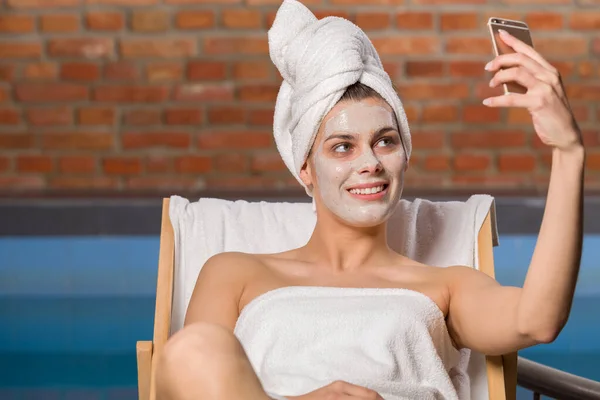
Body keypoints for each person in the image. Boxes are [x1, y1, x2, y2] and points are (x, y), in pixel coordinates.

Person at [155, 2, 585, 399]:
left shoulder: (444, 288)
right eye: (342, 146)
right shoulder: (236, 273)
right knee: (195, 347)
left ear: (404, 155)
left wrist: (568, 152)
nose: (370, 163)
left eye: (385, 141)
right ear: (305, 168)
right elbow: (189, 373)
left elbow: (538, 319)